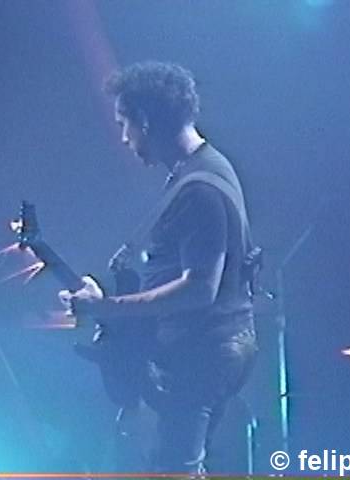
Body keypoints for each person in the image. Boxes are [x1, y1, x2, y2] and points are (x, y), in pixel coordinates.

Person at [60, 61, 258, 474]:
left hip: (201, 355)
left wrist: (106, 308)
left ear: (145, 121)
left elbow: (199, 288)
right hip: (210, 349)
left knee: (173, 470)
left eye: (124, 124)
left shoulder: (200, 189)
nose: (124, 137)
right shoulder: (200, 172)